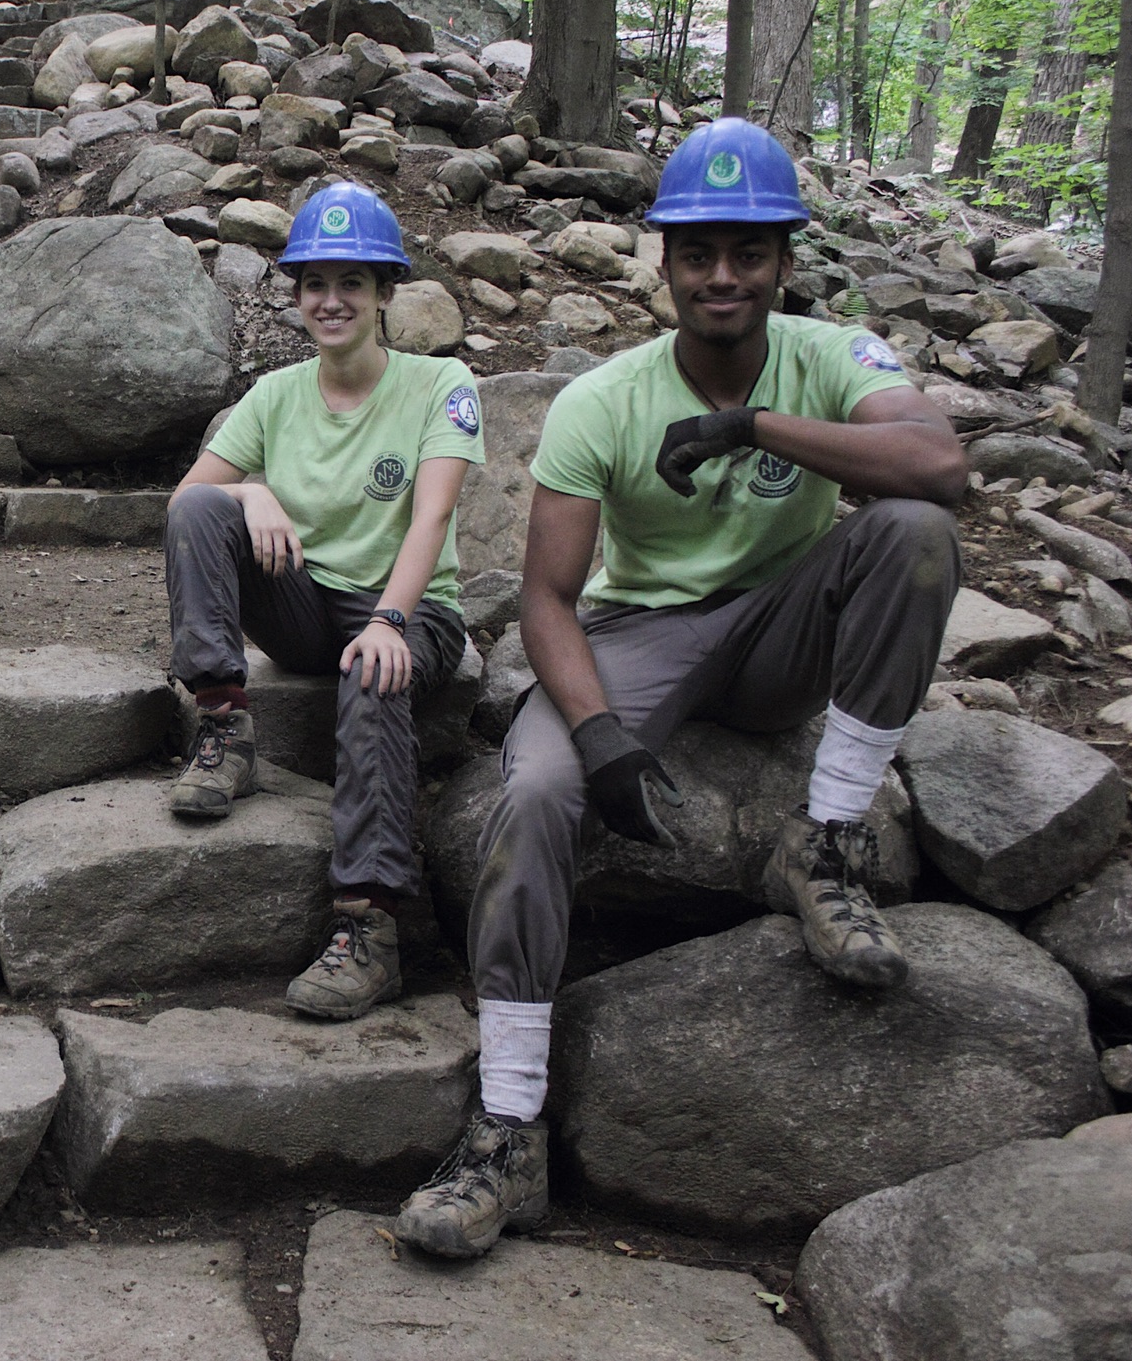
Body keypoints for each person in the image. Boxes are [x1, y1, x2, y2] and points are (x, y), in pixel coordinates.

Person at [393, 117, 967, 1259]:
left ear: (783, 262)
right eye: (697, 251)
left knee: (911, 535)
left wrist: (753, 425)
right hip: (637, 629)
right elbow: (549, 597)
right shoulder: (601, 398)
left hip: (781, 628)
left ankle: (825, 842)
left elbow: (940, 469)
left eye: (747, 253)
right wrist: (599, 733)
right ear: (660, 260)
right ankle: (509, 1126)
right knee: (535, 793)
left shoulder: (835, 354)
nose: (721, 276)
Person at [163, 182, 483, 1021]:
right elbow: (186, 499)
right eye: (313, 283)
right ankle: (224, 727)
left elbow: (433, 513)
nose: (330, 300)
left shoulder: (440, 382)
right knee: (206, 506)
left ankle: (369, 925)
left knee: (375, 672)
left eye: (351, 282)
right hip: (307, 606)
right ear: (296, 295)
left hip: (410, 609)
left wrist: (390, 620)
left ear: (385, 293)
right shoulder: (273, 394)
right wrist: (252, 493)